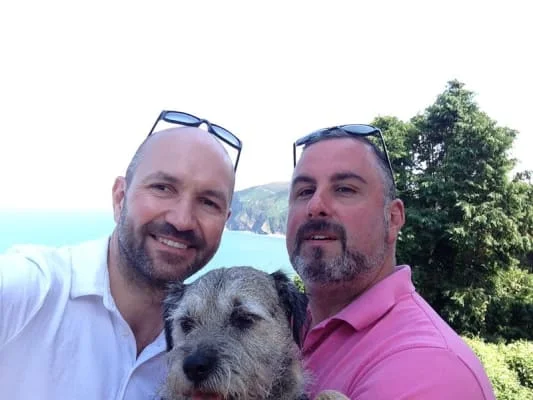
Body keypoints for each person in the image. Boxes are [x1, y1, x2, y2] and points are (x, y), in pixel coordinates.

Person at [0, 111, 241, 400]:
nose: (182, 220)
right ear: (119, 198)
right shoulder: (32, 288)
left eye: (208, 202)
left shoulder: (206, 358)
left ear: (225, 221)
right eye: (163, 188)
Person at [285, 125, 496, 399]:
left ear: (393, 218)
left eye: (344, 189)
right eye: (304, 191)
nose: (315, 205)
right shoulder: (278, 322)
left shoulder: (429, 369)